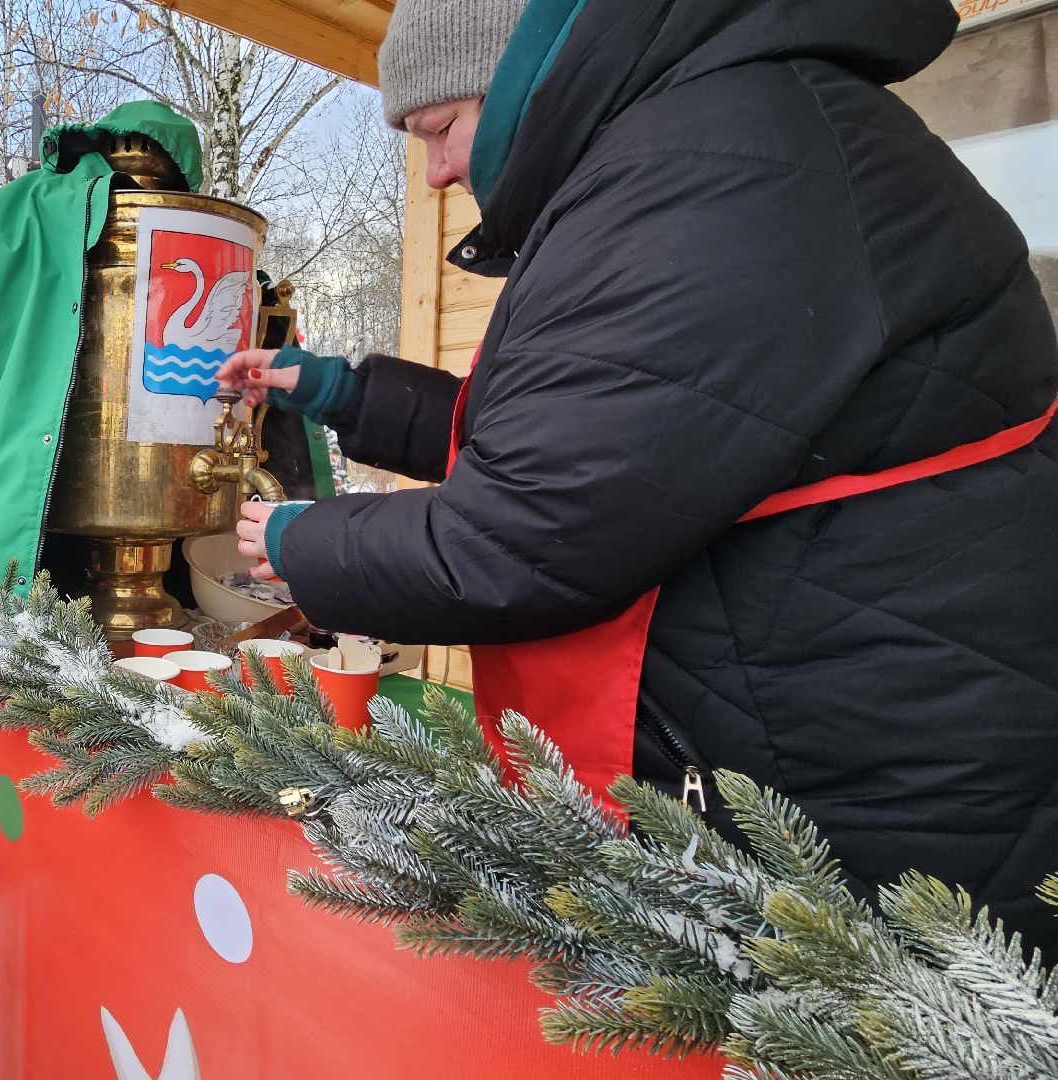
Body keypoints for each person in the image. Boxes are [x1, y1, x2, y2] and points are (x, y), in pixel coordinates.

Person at [221, 0, 1058, 952]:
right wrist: (333, 389)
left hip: (863, 800)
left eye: (439, 130)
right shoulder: (699, 139)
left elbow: (528, 530)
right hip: (822, 740)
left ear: (525, 70)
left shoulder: (716, 163)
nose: (438, 171)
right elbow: (594, 427)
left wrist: (295, 540)